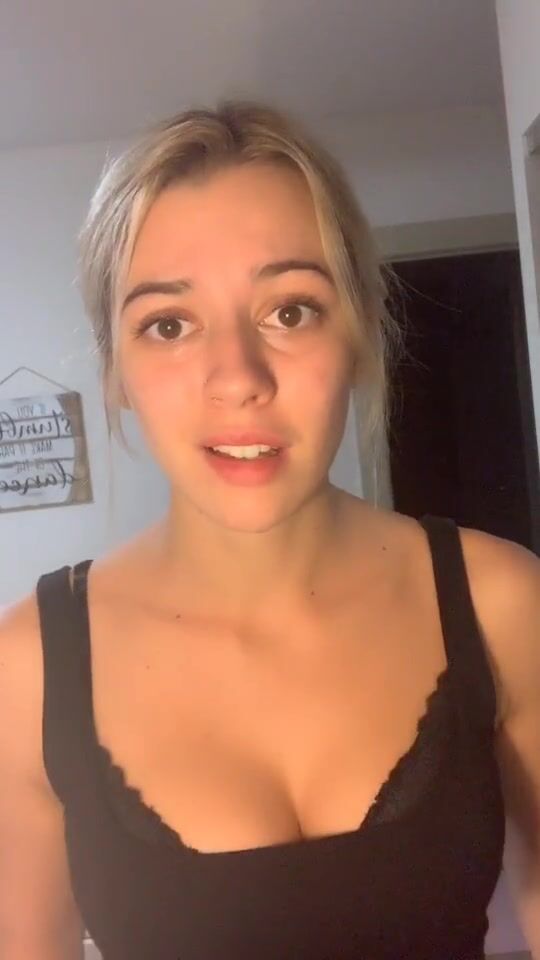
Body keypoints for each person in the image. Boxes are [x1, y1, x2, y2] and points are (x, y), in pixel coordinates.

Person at [0, 100, 539, 960]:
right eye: (169, 324)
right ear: (117, 372)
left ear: (359, 331)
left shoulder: (501, 602)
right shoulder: (27, 668)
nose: (238, 378)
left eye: (290, 310)